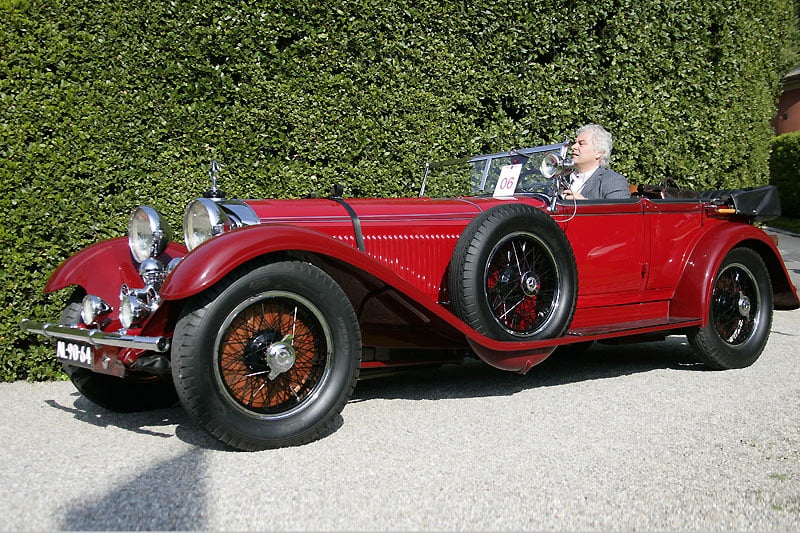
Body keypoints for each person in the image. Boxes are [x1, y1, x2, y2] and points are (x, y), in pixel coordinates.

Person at [561, 124, 630, 200]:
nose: (573, 147)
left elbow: (618, 210)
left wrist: (584, 205)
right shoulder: (562, 180)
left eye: (581, 144)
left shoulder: (614, 181)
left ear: (599, 152)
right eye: (575, 143)